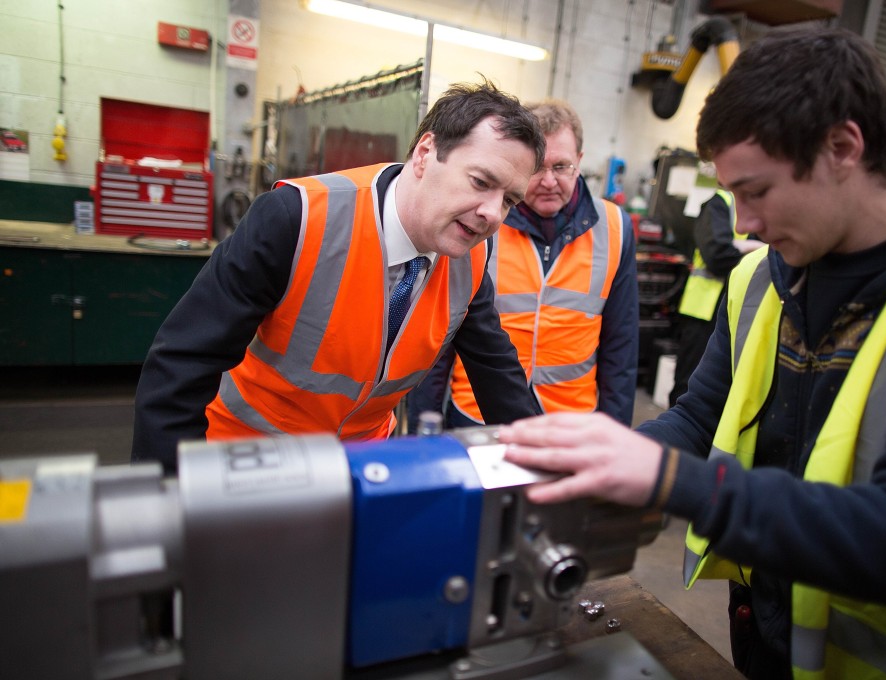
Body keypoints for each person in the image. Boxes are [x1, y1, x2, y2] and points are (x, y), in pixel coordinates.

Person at [500, 27, 886, 679]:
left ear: (842, 148)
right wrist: (600, 460)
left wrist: (667, 481)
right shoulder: (761, 279)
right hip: (768, 631)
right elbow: (699, 416)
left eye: (756, 191)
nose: (741, 223)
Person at [132, 80, 546, 472]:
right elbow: (181, 365)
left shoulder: (471, 257)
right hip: (247, 460)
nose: (493, 213)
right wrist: (169, 495)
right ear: (424, 154)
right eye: (480, 181)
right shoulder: (296, 219)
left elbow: (498, 375)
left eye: (509, 200)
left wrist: (549, 462)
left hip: (357, 471)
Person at [408, 99, 639, 428]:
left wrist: (614, 432)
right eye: (538, 169)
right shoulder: (479, 222)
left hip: (570, 420)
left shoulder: (615, 228)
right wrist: (423, 426)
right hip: (478, 415)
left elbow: (622, 344)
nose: (548, 181)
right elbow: (437, 336)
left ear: (580, 161)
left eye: (561, 167)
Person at [670, 187, 763, 403]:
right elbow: (717, 256)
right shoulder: (720, 204)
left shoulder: (767, 207)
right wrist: (754, 248)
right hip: (703, 310)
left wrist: (742, 247)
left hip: (742, 314)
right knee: (688, 386)